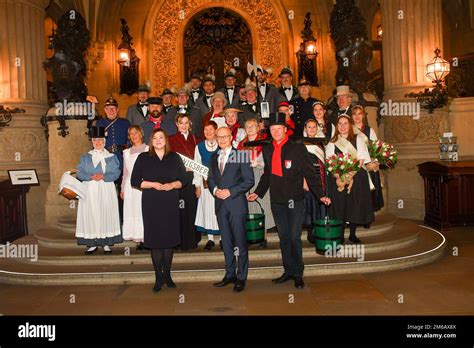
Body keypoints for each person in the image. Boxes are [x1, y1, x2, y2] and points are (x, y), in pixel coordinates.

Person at [248, 112, 331, 289]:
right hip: (277, 200)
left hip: (295, 199)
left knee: (294, 237)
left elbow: (310, 172)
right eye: (273, 129)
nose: (276, 132)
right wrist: (258, 192)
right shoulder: (268, 148)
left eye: (279, 129)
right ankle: (288, 270)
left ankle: (298, 272)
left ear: (285, 130)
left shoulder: (297, 147)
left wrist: (320, 194)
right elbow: (267, 174)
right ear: (270, 131)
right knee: (284, 237)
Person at [131, 128, 189, 292]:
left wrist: (172, 185)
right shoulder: (143, 157)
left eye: (161, 137)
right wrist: (153, 185)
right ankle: (158, 277)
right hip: (151, 201)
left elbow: (184, 179)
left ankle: (168, 275)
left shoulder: (174, 157)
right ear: (151, 141)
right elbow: (135, 181)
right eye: (155, 138)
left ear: (166, 140)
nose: (158, 140)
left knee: (169, 239)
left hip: (170, 201)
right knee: (155, 239)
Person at [208, 127, 254, 293]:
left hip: (236, 205)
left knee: (240, 242)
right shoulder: (213, 157)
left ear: (231, 137)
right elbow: (211, 178)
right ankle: (229, 274)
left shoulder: (240, 155)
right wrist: (215, 191)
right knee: (226, 243)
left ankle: (241, 277)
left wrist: (230, 191)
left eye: (225, 136)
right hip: (220, 206)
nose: (221, 139)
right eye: (219, 137)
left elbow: (249, 180)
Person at [325, 114, 374, 244]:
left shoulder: (358, 139)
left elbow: (361, 158)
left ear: (350, 125)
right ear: (336, 126)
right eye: (339, 124)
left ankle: (352, 234)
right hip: (337, 179)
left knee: (354, 206)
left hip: (356, 176)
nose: (342, 126)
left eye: (345, 123)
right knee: (340, 206)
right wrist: (339, 177)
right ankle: (340, 236)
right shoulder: (332, 142)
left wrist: (349, 176)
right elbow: (329, 162)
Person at [76, 126, 122, 255]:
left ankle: (107, 243)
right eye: (95, 140)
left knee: (106, 213)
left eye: (100, 140)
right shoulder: (85, 157)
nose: (98, 142)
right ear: (92, 142)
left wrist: (104, 176)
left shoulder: (111, 157)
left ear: (104, 141)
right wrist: (90, 176)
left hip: (106, 189)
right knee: (91, 214)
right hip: (89, 189)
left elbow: (116, 173)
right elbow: (79, 173)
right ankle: (92, 244)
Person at [237, 118, 276, 236]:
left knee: (262, 202)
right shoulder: (241, 144)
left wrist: (258, 163)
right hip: (245, 176)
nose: (249, 128)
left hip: (260, 175)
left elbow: (269, 163)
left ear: (258, 128)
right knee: (249, 204)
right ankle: (252, 232)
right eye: (247, 126)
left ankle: (263, 233)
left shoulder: (264, 143)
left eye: (252, 126)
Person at [169, 114, 201, 250]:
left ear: (190, 124)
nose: (184, 125)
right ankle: (178, 241)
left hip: (192, 180)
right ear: (176, 124)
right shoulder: (170, 139)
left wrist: (198, 185)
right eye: (181, 123)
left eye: (186, 123)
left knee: (192, 210)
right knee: (177, 212)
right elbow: (168, 160)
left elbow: (199, 163)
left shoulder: (197, 139)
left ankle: (191, 241)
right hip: (177, 180)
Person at [121, 125, 148, 251]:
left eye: (136, 133)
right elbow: (125, 173)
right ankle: (137, 238)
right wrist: (122, 189)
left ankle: (146, 237)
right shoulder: (126, 152)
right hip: (130, 186)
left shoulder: (148, 149)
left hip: (144, 184)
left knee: (143, 210)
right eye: (131, 133)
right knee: (132, 210)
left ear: (141, 134)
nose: (134, 135)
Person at [351, 105, 384, 212]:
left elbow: (376, 148)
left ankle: (369, 215)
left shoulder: (369, 130)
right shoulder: (349, 130)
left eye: (359, 113)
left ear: (363, 115)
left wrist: (375, 163)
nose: (357, 116)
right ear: (351, 116)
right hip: (356, 164)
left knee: (369, 193)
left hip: (369, 164)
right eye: (354, 114)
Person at [194, 120, 220, 250]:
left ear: (216, 130)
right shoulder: (199, 147)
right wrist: (197, 186)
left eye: (211, 129)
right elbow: (197, 167)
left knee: (220, 210)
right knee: (208, 210)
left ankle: (222, 238)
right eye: (206, 130)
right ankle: (210, 239)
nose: (208, 132)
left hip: (221, 184)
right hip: (205, 184)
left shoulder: (222, 144)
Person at [302, 119, 327, 244]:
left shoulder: (320, 143)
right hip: (308, 179)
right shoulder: (301, 144)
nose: (311, 129)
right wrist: (304, 181)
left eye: (314, 127)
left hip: (321, 178)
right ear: (305, 129)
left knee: (319, 206)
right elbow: (300, 165)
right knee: (310, 207)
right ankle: (310, 232)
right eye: (309, 127)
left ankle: (319, 230)